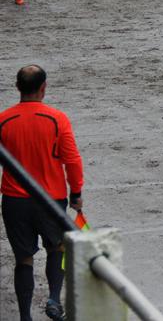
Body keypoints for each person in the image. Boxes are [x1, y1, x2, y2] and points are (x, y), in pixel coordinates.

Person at [0, 65, 84, 321]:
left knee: (23, 259)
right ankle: (53, 300)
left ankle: (25, 316)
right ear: (43, 88)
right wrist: (76, 193)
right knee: (56, 248)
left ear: (17, 88)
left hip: (15, 201)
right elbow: (72, 160)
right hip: (50, 199)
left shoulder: (3, 120)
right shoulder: (57, 119)